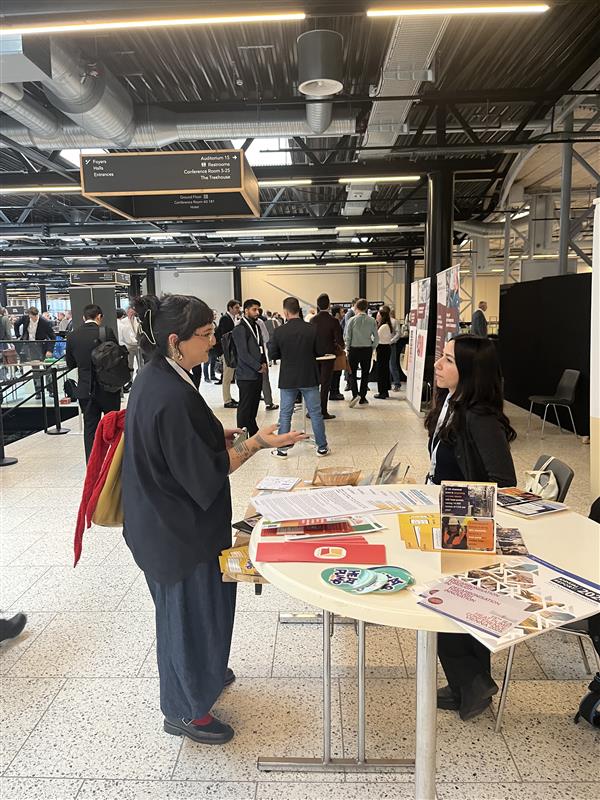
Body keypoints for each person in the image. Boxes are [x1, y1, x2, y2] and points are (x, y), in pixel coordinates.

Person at [122, 292, 305, 745]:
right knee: (187, 619)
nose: (212, 342)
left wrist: (213, 433)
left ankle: (205, 670)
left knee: (201, 610)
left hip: (166, 523)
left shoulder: (159, 375)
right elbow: (208, 471)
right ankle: (185, 710)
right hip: (178, 534)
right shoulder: (169, 394)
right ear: (175, 340)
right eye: (204, 335)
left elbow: (176, 442)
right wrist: (255, 444)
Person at [425, 334, 517, 721]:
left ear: (470, 371)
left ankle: (472, 682)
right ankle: (467, 686)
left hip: (467, 526)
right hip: (445, 516)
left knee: (448, 605)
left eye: (448, 360)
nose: (437, 365)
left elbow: (504, 482)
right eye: (441, 357)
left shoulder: (479, 418)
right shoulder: (450, 404)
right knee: (457, 605)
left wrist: (461, 514)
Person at [270, 296, 330, 459]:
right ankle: (322, 447)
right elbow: (320, 351)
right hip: (309, 376)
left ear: (285, 312)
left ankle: (282, 449)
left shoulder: (279, 331)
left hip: (288, 378)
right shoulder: (312, 329)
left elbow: (273, 354)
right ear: (299, 310)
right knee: (315, 413)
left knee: (285, 414)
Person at [65, 304, 122, 462]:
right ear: (99, 316)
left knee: (90, 429)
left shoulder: (72, 336)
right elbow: (117, 358)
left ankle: (92, 465)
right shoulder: (106, 332)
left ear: (84, 317)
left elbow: (70, 363)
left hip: (86, 389)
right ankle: (114, 463)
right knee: (113, 427)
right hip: (109, 388)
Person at [232, 299, 267, 436]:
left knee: (253, 406)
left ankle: (253, 432)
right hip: (246, 375)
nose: (257, 312)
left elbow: (260, 347)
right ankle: (242, 435)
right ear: (246, 311)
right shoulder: (240, 329)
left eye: (258, 309)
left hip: (257, 374)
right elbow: (243, 354)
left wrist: (264, 362)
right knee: (245, 408)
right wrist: (258, 366)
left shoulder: (256, 326)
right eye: (254, 309)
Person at [311, 293, 343, 419]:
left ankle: (313, 411)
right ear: (329, 305)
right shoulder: (333, 321)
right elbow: (340, 341)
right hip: (329, 357)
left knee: (314, 385)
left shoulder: (312, 320)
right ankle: (323, 411)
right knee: (325, 384)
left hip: (315, 356)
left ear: (318, 305)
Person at [14, 307, 56, 398]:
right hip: (31, 346)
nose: (35, 318)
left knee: (48, 369)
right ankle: (38, 391)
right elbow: (16, 324)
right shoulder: (25, 318)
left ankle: (51, 390)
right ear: (29, 315)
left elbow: (53, 337)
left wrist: (50, 350)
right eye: (33, 317)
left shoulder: (44, 322)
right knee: (35, 370)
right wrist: (18, 336)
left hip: (43, 346)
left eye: (36, 316)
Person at [345, 298, 378, 408]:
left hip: (354, 349)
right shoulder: (372, 320)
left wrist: (347, 349)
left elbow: (348, 337)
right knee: (365, 373)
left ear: (356, 307)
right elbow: (376, 337)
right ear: (366, 308)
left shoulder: (351, 320)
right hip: (366, 350)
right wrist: (372, 347)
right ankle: (363, 397)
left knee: (352, 373)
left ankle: (355, 395)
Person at [215, 299, 240, 408]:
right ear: (230, 308)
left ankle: (228, 397)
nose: (238, 310)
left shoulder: (232, 318)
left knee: (229, 376)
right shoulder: (225, 319)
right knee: (227, 376)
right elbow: (225, 337)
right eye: (236, 307)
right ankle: (227, 400)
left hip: (230, 351)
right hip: (227, 352)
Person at [255, 312, 278, 411]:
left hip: (247, 358)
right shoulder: (260, 322)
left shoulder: (239, 323)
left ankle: (254, 401)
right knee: (264, 379)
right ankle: (268, 402)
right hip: (260, 355)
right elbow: (266, 338)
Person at [374, 307, 393, 399]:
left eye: (378, 315)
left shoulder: (383, 327)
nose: (376, 317)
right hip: (385, 349)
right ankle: (384, 391)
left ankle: (382, 392)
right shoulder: (386, 325)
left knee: (381, 371)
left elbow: (376, 338)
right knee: (384, 371)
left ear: (382, 317)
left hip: (382, 349)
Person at [328, 305, 345, 401]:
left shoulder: (333, 322)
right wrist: (342, 346)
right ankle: (334, 392)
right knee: (336, 372)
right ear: (337, 313)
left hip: (334, 351)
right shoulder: (335, 323)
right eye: (342, 312)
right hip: (336, 351)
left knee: (336, 372)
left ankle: (335, 391)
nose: (344, 314)